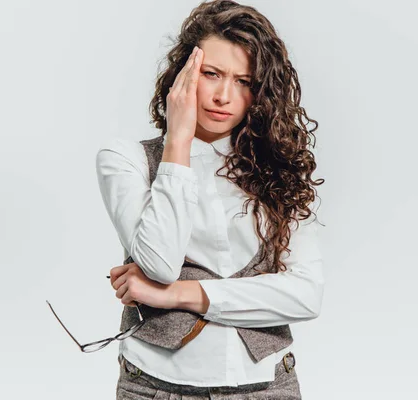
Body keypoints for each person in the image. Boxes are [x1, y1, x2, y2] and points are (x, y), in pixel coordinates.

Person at [96, 0, 325, 398]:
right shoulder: (126, 160)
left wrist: (176, 295)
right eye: (211, 74)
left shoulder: (277, 171)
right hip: (156, 389)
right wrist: (178, 140)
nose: (223, 95)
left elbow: (306, 295)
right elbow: (160, 263)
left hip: (267, 387)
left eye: (244, 82)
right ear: (183, 75)